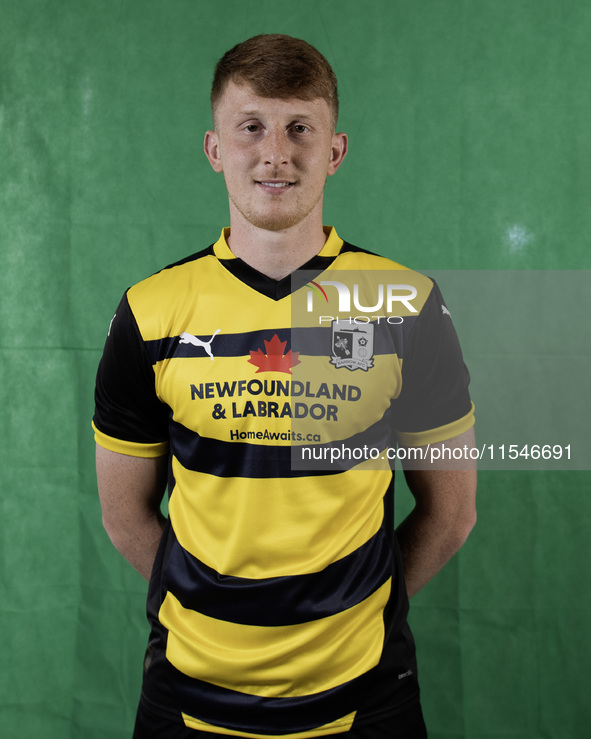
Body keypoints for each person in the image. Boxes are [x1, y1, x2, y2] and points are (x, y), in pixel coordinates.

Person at [93, 34, 477, 739]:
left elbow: (450, 513)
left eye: (300, 127)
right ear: (215, 149)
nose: (275, 152)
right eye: (251, 128)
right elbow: (126, 514)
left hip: (365, 696)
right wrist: (220, 611)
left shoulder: (405, 303)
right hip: (189, 696)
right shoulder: (148, 310)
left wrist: (356, 606)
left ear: (334, 151)